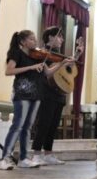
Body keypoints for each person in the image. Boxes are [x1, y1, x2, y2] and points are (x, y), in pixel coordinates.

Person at [30, 27, 79, 166]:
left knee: (53, 125)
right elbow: (48, 74)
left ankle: (48, 153)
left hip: (59, 93)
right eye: (59, 37)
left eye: (62, 37)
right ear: (50, 37)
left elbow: (68, 70)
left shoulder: (58, 55)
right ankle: (36, 154)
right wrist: (62, 63)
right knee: (44, 124)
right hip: (46, 92)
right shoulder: (42, 54)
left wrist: (78, 53)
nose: (62, 39)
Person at [0, 30, 44, 170]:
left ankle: (24, 158)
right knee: (17, 126)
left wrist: (61, 64)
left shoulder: (37, 56)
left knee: (27, 128)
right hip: (22, 93)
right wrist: (31, 67)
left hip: (36, 94)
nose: (35, 41)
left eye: (35, 39)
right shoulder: (16, 53)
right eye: (31, 39)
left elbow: (47, 73)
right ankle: (5, 158)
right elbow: (9, 71)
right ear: (23, 42)